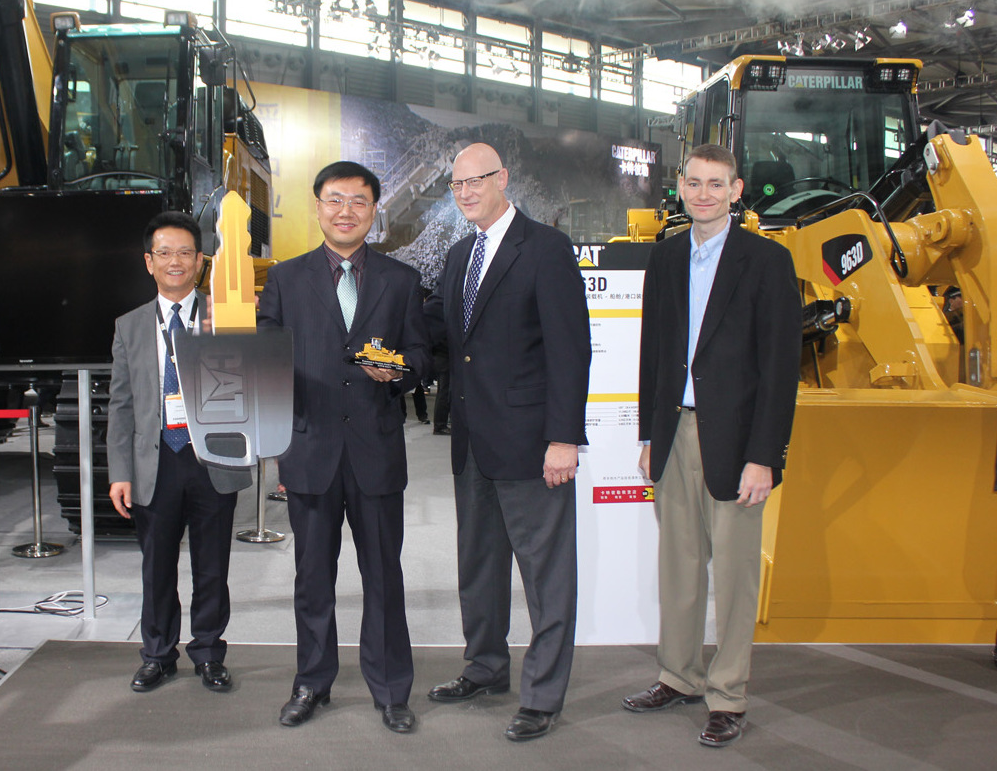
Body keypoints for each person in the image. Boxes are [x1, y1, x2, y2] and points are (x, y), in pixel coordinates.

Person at [624, 144, 801, 747]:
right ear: (680, 187)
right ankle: (678, 676)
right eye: (695, 183)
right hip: (674, 434)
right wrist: (649, 434)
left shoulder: (767, 261)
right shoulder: (667, 256)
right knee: (678, 566)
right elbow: (653, 351)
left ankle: (727, 695)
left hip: (737, 442)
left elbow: (780, 369)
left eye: (716, 184)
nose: (704, 194)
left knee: (734, 575)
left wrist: (765, 456)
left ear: (736, 190)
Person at [424, 142, 591, 742]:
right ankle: (485, 668)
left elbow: (570, 349)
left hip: (531, 445)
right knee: (480, 566)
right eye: (457, 184)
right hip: (472, 443)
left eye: (477, 180)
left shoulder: (545, 248)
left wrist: (564, 438)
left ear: (503, 179)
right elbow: (447, 343)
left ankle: (542, 695)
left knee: (545, 576)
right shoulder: (458, 257)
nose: (466, 192)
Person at [257, 160, 430, 734]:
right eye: (335, 199)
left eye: (358, 201)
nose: (346, 211)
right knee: (312, 579)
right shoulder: (286, 279)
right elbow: (267, 357)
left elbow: (420, 357)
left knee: (383, 577)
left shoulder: (400, 280)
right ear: (317, 207)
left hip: (376, 451)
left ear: (374, 210)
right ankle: (312, 682)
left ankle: (392, 690)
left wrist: (397, 370)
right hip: (311, 450)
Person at [107, 211, 251, 694]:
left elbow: (251, 388)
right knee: (156, 566)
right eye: (164, 253)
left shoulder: (225, 317)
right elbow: (121, 405)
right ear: (149, 262)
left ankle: (208, 653)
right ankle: (157, 654)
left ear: (200, 261)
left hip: (212, 460)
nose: (175, 261)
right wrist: (120, 471)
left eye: (185, 252)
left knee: (212, 566)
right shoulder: (129, 326)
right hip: (154, 463)